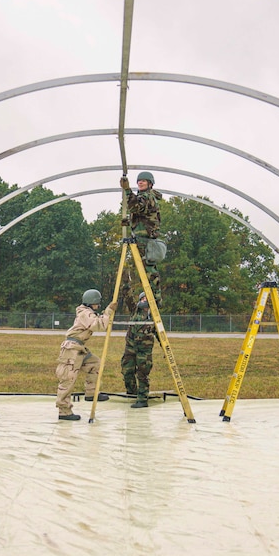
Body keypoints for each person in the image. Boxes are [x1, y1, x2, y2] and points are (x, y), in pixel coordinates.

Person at [54, 289, 117, 421]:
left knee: (95, 363)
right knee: (68, 379)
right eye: (97, 304)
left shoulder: (88, 312)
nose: (98, 307)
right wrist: (108, 311)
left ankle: (91, 392)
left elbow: (98, 321)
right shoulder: (84, 313)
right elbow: (98, 325)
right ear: (92, 303)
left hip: (80, 347)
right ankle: (64, 411)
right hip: (71, 350)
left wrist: (107, 312)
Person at [119, 171, 164, 306]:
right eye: (139, 181)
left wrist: (127, 190)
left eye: (143, 181)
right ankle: (155, 297)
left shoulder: (148, 196)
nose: (140, 182)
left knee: (149, 270)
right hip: (140, 238)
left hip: (145, 240)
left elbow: (136, 206)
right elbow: (140, 215)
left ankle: (156, 298)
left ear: (150, 183)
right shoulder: (143, 196)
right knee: (146, 270)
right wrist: (129, 222)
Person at [121, 291, 156, 408]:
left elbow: (160, 333)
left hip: (144, 351)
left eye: (146, 299)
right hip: (130, 347)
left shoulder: (154, 315)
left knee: (142, 374)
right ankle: (131, 394)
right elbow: (127, 296)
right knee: (127, 371)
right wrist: (126, 283)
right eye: (142, 299)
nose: (144, 301)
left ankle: (142, 399)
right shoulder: (134, 310)